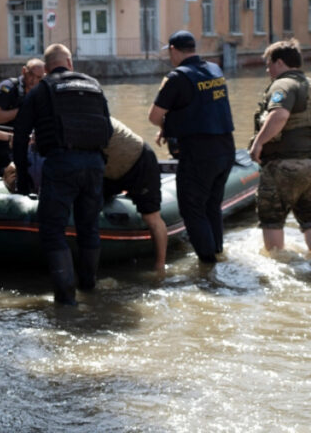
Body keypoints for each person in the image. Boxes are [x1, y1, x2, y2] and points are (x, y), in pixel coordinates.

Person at [13, 43, 111, 305]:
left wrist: (23, 175)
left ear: (45, 68)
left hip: (61, 163)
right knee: (89, 227)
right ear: (70, 62)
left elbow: (20, 134)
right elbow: (108, 130)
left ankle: (66, 300)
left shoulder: (42, 89)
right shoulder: (94, 86)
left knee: (53, 230)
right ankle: (89, 288)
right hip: (94, 164)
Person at [148, 30, 235, 264]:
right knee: (212, 206)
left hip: (200, 154)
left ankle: (207, 266)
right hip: (226, 149)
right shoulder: (215, 69)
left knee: (192, 208)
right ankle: (217, 251)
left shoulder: (177, 78)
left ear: (174, 50)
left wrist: (166, 126)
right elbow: (203, 107)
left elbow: (154, 116)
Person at [248, 39, 311, 253]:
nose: (268, 70)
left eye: (269, 64)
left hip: (283, 166)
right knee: (309, 219)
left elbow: (280, 115)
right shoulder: (309, 85)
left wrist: (258, 143)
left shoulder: (283, 85)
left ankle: (276, 265)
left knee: (272, 218)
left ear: (280, 63)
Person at [103, 116, 169, 271]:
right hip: (109, 172)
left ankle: (160, 266)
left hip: (139, 162)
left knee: (151, 217)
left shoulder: (95, 118)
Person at [0, 57, 45, 181]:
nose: (33, 81)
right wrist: (22, 112)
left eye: (39, 78)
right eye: (31, 75)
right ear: (24, 71)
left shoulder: (41, 92)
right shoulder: (8, 88)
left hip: (14, 143)